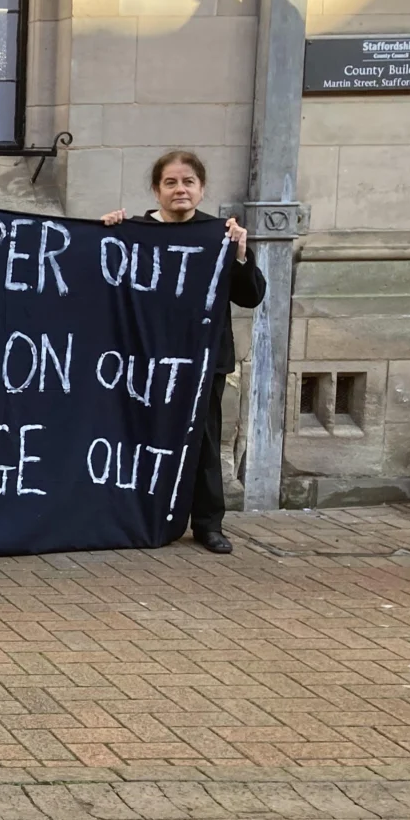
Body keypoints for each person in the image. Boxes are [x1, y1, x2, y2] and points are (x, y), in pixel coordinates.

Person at [102, 150, 264, 556]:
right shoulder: (134, 231)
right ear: (157, 190)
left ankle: (208, 525)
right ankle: (135, 514)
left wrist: (241, 255)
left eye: (188, 182)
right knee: (140, 435)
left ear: (201, 188)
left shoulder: (221, 235)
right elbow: (102, 285)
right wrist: (105, 234)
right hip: (145, 359)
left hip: (202, 362)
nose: (180, 189)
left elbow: (252, 296)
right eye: (171, 182)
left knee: (205, 443)